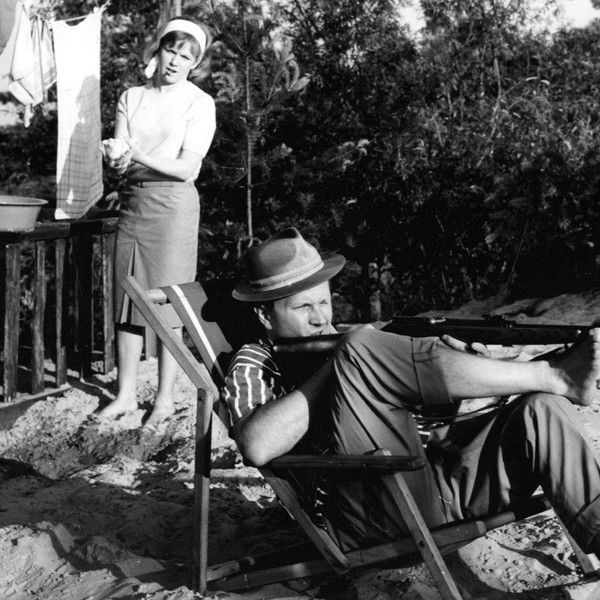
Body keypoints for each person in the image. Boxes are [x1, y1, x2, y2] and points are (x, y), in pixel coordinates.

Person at [222, 227, 600, 556]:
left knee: (540, 410)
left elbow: (424, 426)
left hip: (433, 488)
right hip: (368, 515)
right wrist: (336, 368)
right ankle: (551, 375)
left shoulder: (340, 343)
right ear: (265, 315)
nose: (321, 318)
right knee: (359, 346)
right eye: (303, 307)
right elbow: (256, 446)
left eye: (324, 301)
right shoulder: (256, 360)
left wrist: (462, 371)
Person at [100, 18, 216, 425]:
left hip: (173, 208)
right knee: (127, 298)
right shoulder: (132, 97)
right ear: (158, 49)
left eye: (187, 56)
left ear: (196, 63)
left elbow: (186, 168)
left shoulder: (199, 103)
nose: (176, 61)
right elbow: (121, 159)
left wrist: (136, 154)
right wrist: (117, 157)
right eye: (171, 50)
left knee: (168, 303)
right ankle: (126, 394)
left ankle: (164, 399)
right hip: (134, 203)